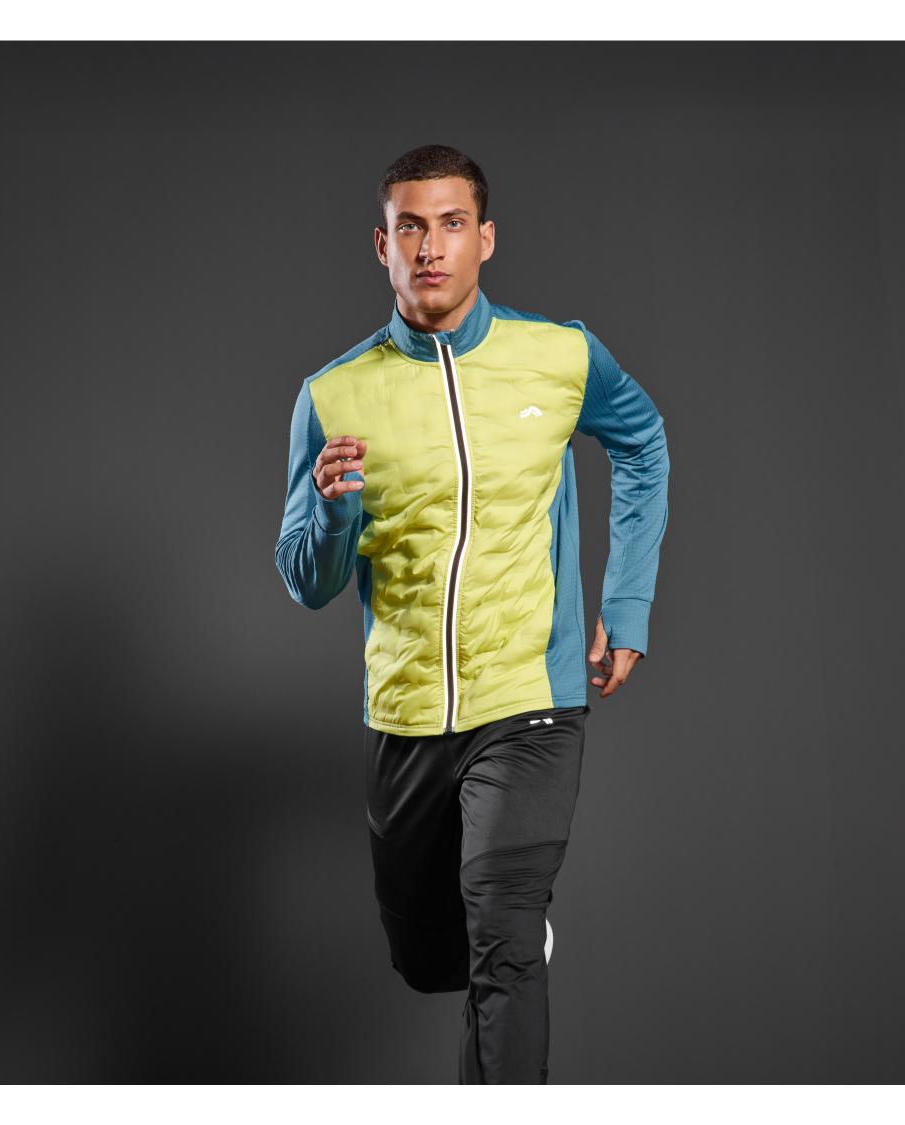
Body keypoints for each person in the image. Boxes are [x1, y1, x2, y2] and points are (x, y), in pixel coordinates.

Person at [273, 144, 670, 1084]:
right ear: (382, 245)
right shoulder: (332, 394)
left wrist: (626, 603)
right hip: (406, 715)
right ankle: (496, 931)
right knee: (427, 957)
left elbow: (643, 442)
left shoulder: (559, 356)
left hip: (531, 700)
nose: (431, 247)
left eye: (451, 224)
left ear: (484, 238)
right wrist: (331, 512)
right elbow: (305, 580)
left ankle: (511, 949)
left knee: (504, 941)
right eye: (410, 227)